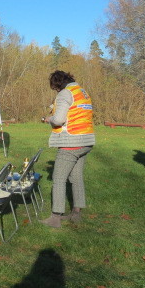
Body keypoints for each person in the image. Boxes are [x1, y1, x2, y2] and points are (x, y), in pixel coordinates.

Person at [41, 70, 95, 228]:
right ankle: (76, 213)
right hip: (86, 141)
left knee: (58, 179)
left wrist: (49, 119)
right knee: (76, 177)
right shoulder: (82, 92)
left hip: (71, 142)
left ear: (57, 84)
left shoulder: (65, 93)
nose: (56, 91)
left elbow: (59, 120)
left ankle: (55, 217)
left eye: (55, 87)